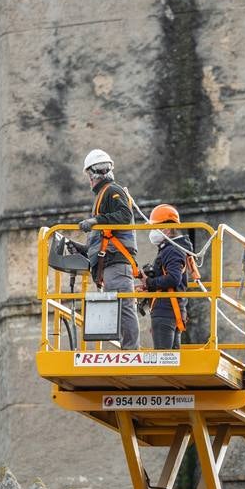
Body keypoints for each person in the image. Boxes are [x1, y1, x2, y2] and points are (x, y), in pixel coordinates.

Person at [77, 149, 140, 349]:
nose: (89, 179)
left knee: (124, 307)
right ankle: (127, 347)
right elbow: (99, 240)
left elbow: (123, 216)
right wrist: (79, 248)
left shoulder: (113, 190)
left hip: (116, 260)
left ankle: (131, 350)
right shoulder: (103, 196)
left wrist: (96, 220)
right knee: (118, 307)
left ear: (94, 173)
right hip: (109, 261)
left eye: (89, 174)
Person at [137, 203, 193, 350]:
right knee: (171, 364)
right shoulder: (172, 249)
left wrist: (149, 282)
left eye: (155, 227)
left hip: (166, 311)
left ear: (167, 229)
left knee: (164, 363)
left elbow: (174, 278)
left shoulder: (172, 250)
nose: (152, 231)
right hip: (171, 310)